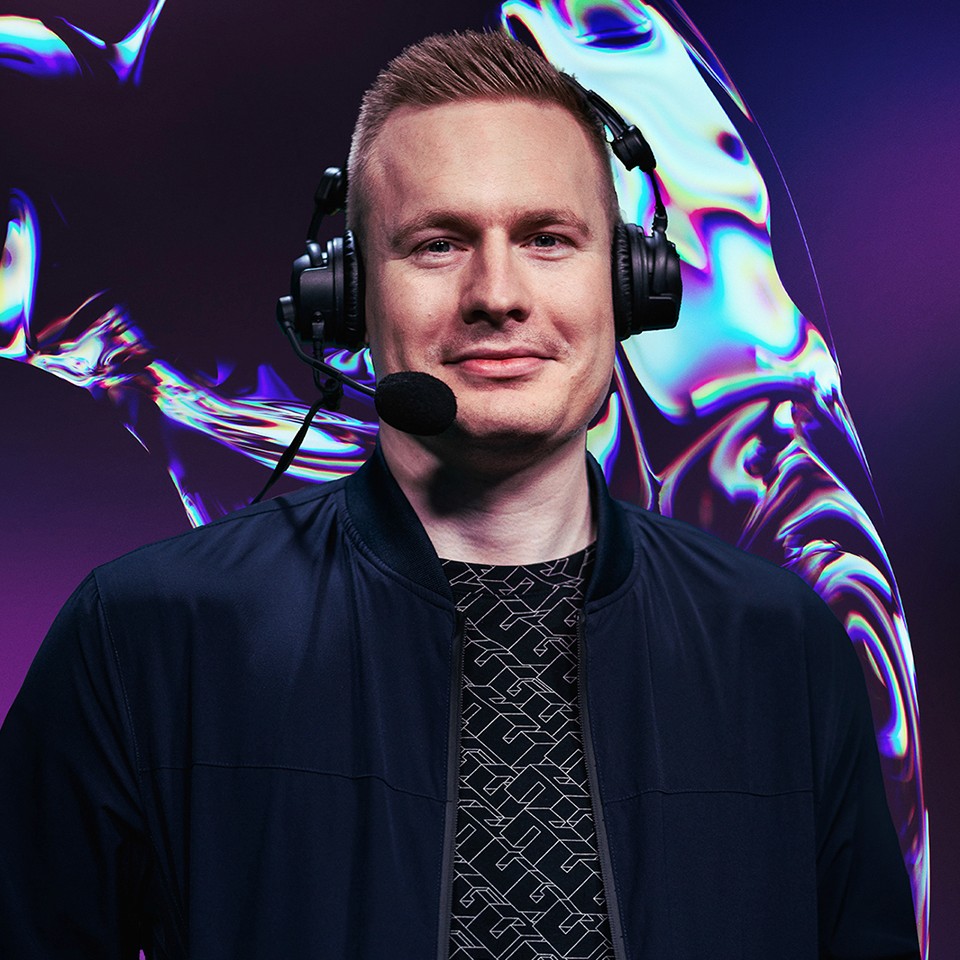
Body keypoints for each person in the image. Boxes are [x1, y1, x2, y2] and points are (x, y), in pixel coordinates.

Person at [0, 30, 919, 960]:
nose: (498, 295)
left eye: (547, 239)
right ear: (347, 298)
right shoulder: (147, 639)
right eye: (438, 244)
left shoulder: (784, 648)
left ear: (633, 287)